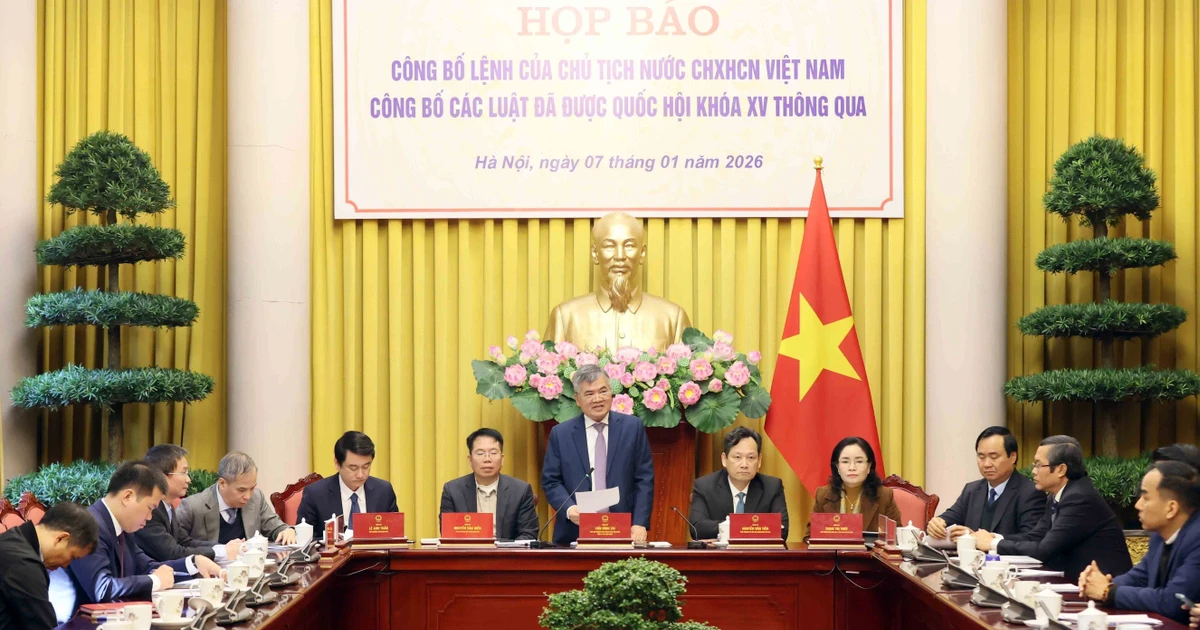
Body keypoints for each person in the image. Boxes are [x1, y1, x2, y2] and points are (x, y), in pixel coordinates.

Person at [62, 462, 223, 611]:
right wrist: (155, 581)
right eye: (150, 508)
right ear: (127, 497)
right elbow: (103, 589)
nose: (150, 517)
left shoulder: (121, 526)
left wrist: (193, 562)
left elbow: (148, 566)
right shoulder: (90, 526)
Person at [972, 435, 1131, 581]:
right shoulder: (1058, 494)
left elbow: (1044, 549)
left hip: (1105, 586)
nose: (1033, 471)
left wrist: (994, 545)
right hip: (1075, 581)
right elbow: (1035, 536)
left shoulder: (1080, 498)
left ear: (1061, 469)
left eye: (1039, 465)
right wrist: (995, 538)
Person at [544, 211, 691, 352]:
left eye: (629, 245)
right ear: (595, 253)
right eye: (609, 246)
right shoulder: (566, 316)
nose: (620, 256)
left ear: (642, 253)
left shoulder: (672, 318)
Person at [541, 363, 655, 545]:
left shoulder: (632, 428)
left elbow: (644, 478)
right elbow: (551, 481)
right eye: (589, 394)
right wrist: (570, 509)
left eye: (603, 391)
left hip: (624, 529)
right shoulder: (561, 434)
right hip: (575, 531)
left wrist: (639, 523)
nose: (597, 399)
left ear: (611, 393)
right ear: (577, 399)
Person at [1079, 461, 1200, 623]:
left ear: (1171, 508)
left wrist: (1108, 592)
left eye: (1145, 497)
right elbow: (1139, 577)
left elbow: (1174, 602)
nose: (1137, 505)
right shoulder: (1159, 536)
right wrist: (1098, 583)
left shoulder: (1197, 537)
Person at [926, 426, 1044, 540]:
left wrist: (987, 540)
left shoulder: (1030, 492)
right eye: (981, 457)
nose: (986, 464)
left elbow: (1031, 538)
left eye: (994, 457)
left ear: (1013, 457)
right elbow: (950, 518)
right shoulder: (972, 489)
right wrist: (937, 523)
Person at [0, 502, 97, 630]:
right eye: (72, 557)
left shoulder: (14, 539)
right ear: (61, 538)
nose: (65, 565)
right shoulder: (25, 564)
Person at [136, 444, 240, 562]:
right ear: (162, 476)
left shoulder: (166, 506)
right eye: (183, 472)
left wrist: (223, 547)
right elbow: (173, 553)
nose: (188, 479)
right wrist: (222, 552)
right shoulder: (150, 511)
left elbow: (185, 542)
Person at [689, 427, 789, 540]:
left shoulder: (772, 487)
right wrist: (744, 526)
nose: (744, 464)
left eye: (751, 457)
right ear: (724, 459)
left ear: (759, 460)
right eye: (737, 457)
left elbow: (782, 530)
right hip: (719, 556)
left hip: (757, 555)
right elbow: (696, 528)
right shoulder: (704, 486)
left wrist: (732, 526)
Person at [439, 428, 539, 540]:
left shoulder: (520, 490)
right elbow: (448, 534)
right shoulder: (453, 491)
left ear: (502, 459)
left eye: (493, 453)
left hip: (507, 555)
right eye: (480, 453)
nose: (487, 459)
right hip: (468, 554)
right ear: (470, 460)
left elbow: (528, 534)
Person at [177, 452, 295, 545]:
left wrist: (286, 531)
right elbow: (174, 547)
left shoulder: (256, 497)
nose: (248, 496)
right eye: (241, 490)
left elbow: (275, 527)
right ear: (222, 483)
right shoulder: (193, 507)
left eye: (252, 488)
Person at [296, 431, 399, 528]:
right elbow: (304, 538)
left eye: (366, 467)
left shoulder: (384, 491)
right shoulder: (315, 494)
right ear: (337, 463)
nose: (360, 475)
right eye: (353, 468)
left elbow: (395, 535)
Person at [807, 437, 901, 537]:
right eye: (845, 462)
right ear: (837, 467)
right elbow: (809, 537)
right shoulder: (822, 495)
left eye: (859, 462)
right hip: (832, 553)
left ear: (869, 466)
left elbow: (896, 538)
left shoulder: (884, 496)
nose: (852, 468)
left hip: (869, 553)